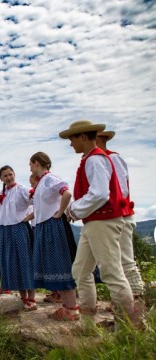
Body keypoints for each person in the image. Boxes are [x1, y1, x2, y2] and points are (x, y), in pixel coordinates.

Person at [59, 120, 138, 327]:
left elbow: (100, 193)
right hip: (94, 221)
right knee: (80, 271)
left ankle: (130, 327)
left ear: (83, 137)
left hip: (103, 221)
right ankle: (87, 325)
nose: (70, 144)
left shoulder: (95, 159)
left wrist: (73, 209)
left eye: (72, 139)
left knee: (112, 272)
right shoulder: (91, 159)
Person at [28, 152, 79, 321]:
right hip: (44, 225)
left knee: (61, 263)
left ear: (37, 163)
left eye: (31, 164)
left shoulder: (49, 178)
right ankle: (67, 307)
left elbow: (66, 193)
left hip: (52, 225)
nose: (30, 168)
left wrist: (59, 213)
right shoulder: (42, 182)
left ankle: (72, 309)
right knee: (54, 265)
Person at [96, 131, 145, 300]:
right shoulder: (101, 159)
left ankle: (137, 307)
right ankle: (124, 305)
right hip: (112, 216)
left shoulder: (113, 158)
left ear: (97, 140)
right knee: (115, 263)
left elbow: (121, 189)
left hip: (120, 215)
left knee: (125, 260)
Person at [0, 165, 36, 310]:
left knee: (24, 261)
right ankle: (22, 296)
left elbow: (40, 202)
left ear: (15, 174)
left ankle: (32, 298)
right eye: (5, 176)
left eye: (10, 174)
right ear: (1, 179)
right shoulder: (1, 194)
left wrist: (28, 217)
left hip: (19, 229)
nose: (8, 178)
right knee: (12, 262)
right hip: (5, 231)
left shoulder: (23, 190)